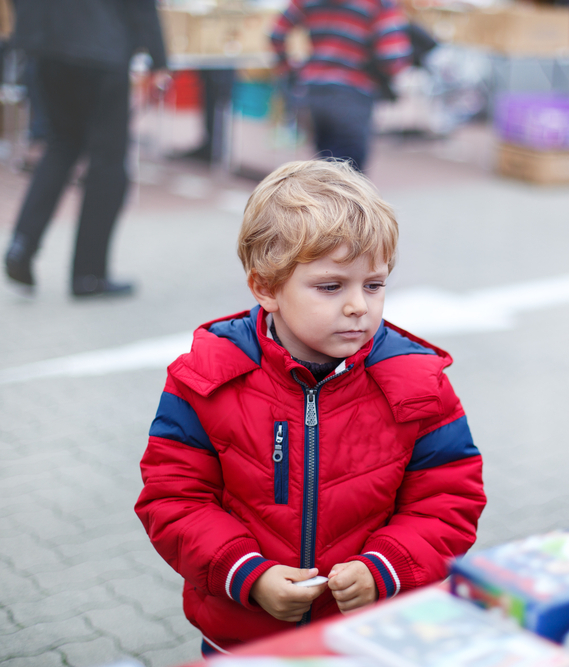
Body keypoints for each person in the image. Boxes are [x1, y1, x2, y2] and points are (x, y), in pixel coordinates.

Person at [134, 159, 486, 654]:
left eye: (374, 284)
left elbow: (449, 500)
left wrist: (383, 567)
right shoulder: (207, 378)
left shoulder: (416, 383)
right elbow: (173, 499)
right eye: (330, 286)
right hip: (245, 637)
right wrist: (248, 575)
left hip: (369, 636)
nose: (358, 306)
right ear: (265, 287)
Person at [2, 0, 168, 297]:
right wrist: (158, 59)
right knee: (108, 165)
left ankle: (21, 245)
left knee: (60, 146)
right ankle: (88, 275)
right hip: (101, 50)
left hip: (47, 46)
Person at [270, 0, 413, 172]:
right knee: (350, 177)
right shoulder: (379, 4)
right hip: (353, 94)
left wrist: (291, 70)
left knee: (328, 169)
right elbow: (392, 57)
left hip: (314, 92)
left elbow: (276, 35)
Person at [174, 69, 237, 164]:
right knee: (212, 97)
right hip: (214, 72)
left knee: (218, 100)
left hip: (220, 72)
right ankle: (211, 147)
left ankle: (215, 149)